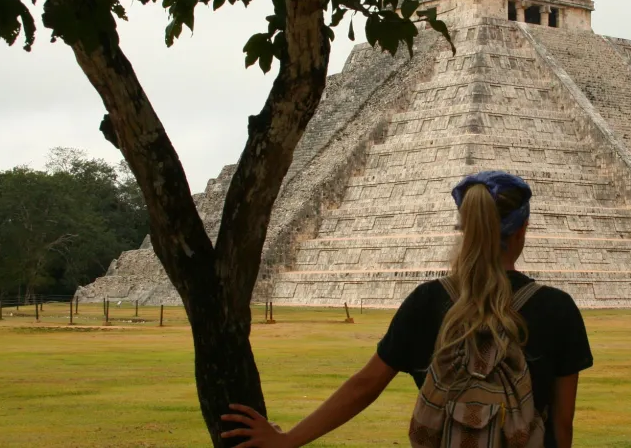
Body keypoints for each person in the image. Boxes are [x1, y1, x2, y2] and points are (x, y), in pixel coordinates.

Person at [220, 170, 594, 447]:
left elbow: (365, 386)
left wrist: (290, 440)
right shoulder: (558, 309)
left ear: (465, 228)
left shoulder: (428, 302)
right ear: (522, 229)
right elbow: (563, 425)